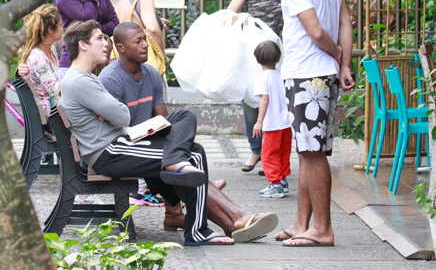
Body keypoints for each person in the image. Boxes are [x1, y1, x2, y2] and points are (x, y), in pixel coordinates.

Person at [62, 20, 278, 245]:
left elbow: (119, 114)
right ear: (82, 45)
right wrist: (113, 109)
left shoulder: (85, 79)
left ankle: (222, 224)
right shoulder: (81, 81)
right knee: (191, 156)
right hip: (110, 151)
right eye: (99, 38)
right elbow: (122, 116)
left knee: (190, 137)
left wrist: (113, 110)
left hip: (119, 144)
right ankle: (212, 225)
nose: (106, 44)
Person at [261, 0, 355, 247]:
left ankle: (322, 228)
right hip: (322, 73)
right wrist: (342, 62)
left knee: (312, 152)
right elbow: (345, 18)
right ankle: (303, 221)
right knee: (307, 149)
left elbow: (316, 31)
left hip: (308, 73)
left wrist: (335, 54)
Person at [99, 22, 229, 230]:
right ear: (121, 48)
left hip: (148, 137)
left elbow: (164, 119)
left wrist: (167, 138)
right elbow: (114, 128)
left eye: (145, 39)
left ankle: (179, 202)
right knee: (191, 154)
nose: (145, 45)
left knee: (184, 119)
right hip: (124, 144)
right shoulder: (110, 79)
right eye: (138, 41)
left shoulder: (151, 73)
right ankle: (203, 224)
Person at [228, 0, 286, 173]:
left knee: (278, 101)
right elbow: (230, 14)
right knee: (252, 100)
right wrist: (244, 19)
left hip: (282, 50)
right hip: (255, 52)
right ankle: (255, 151)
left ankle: (272, 155)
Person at [114, 0, 169, 75]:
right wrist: (163, 56)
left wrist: (158, 20)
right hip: (145, 64)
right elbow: (152, 30)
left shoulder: (120, 2)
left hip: (126, 65)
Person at [251, 40, 292, 199]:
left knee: (268, 154)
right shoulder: (282, 75)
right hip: (286, 122)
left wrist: (259, 121)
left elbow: (264, 99)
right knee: (283, 153)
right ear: (277, 59)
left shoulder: (262, 78)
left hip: (272, 124)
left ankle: (275, 185)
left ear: (257, 60)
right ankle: (282, 180)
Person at [17, 4, 63, 114]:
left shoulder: (51, 48)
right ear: (50, 29)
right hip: (53, 115)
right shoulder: (37, 58)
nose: (63, 28)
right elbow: (54, 91)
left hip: (59, 106)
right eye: (61, 25)